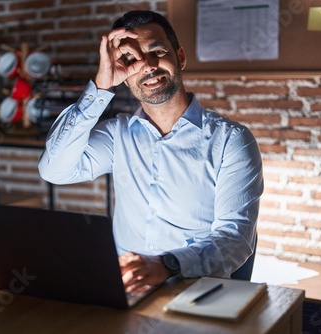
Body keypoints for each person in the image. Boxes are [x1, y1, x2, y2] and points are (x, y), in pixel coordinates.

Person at [38, 10, 263, 293]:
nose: (148, 66)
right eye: (131, 59)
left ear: (180, 57)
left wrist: (166, 264)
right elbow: (54, 169)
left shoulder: (232, 141)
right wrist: (101, 85)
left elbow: (235, 240)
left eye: (157, 51)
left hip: (196, 289)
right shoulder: (117, 135)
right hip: (127, 288)